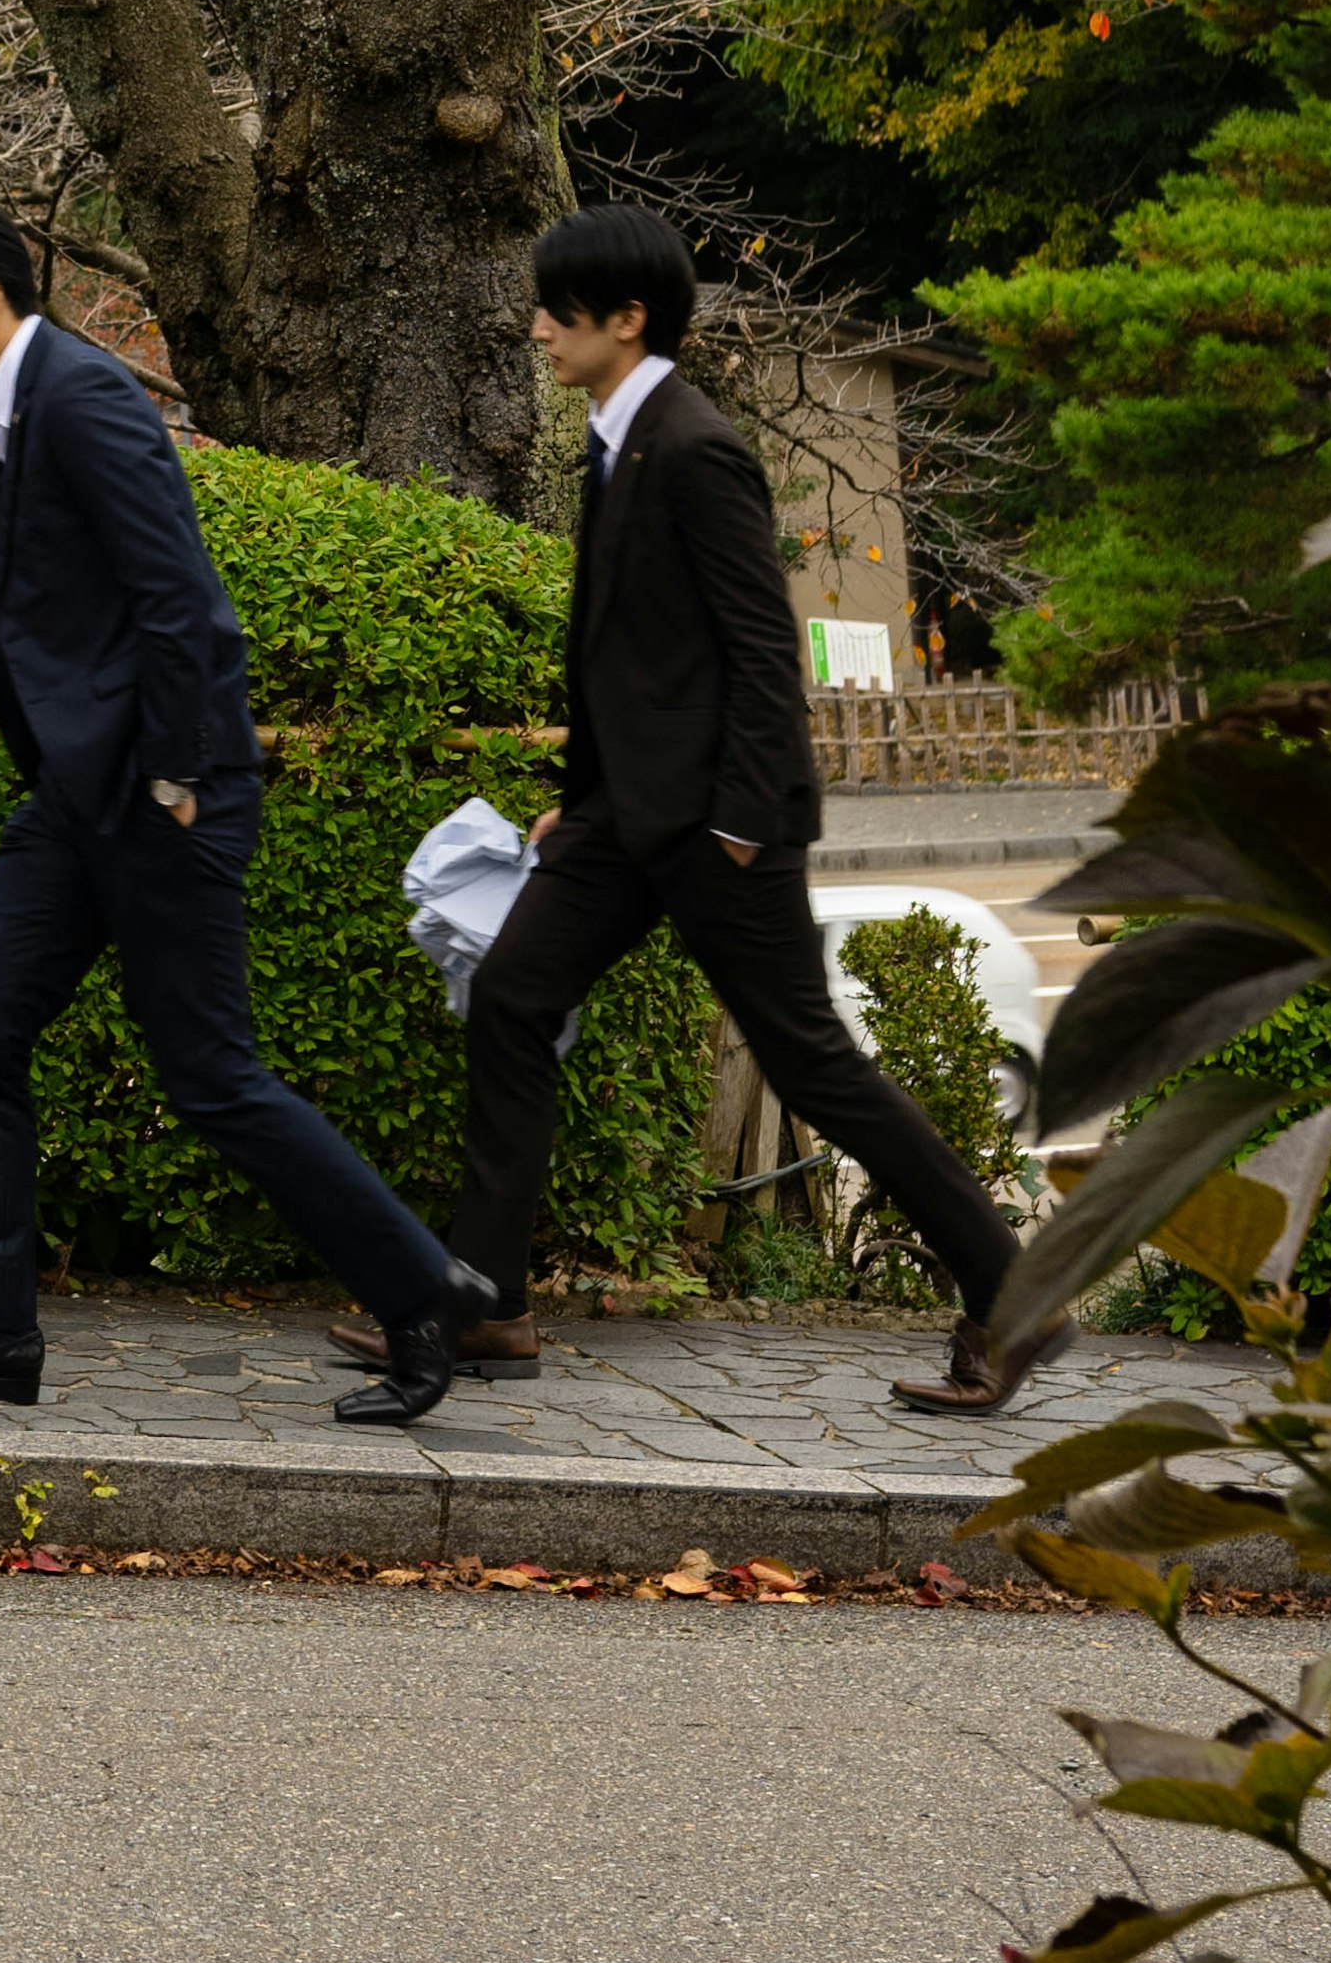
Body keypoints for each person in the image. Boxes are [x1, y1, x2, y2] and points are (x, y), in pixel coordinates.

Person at [0, 189, 487, 1425]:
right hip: (80, 798)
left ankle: (419, 1287)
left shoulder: (81, 397)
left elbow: (181, 598)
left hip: (157, 793)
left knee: (210, 1074)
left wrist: (180, 773)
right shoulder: (20, 405)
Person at [381, 200, 1034, 1419]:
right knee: (514, 997)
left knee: (817, 1068)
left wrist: (743, 821)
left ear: (626, 318)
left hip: (719, 829)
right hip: (625, 820)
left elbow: (757, 651)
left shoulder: (695, 445)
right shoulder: (613, 438)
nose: (536, 327)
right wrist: (575, 809)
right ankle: (486, 1302)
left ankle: (1009, 1288)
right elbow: (624, 657)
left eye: (556, 309)